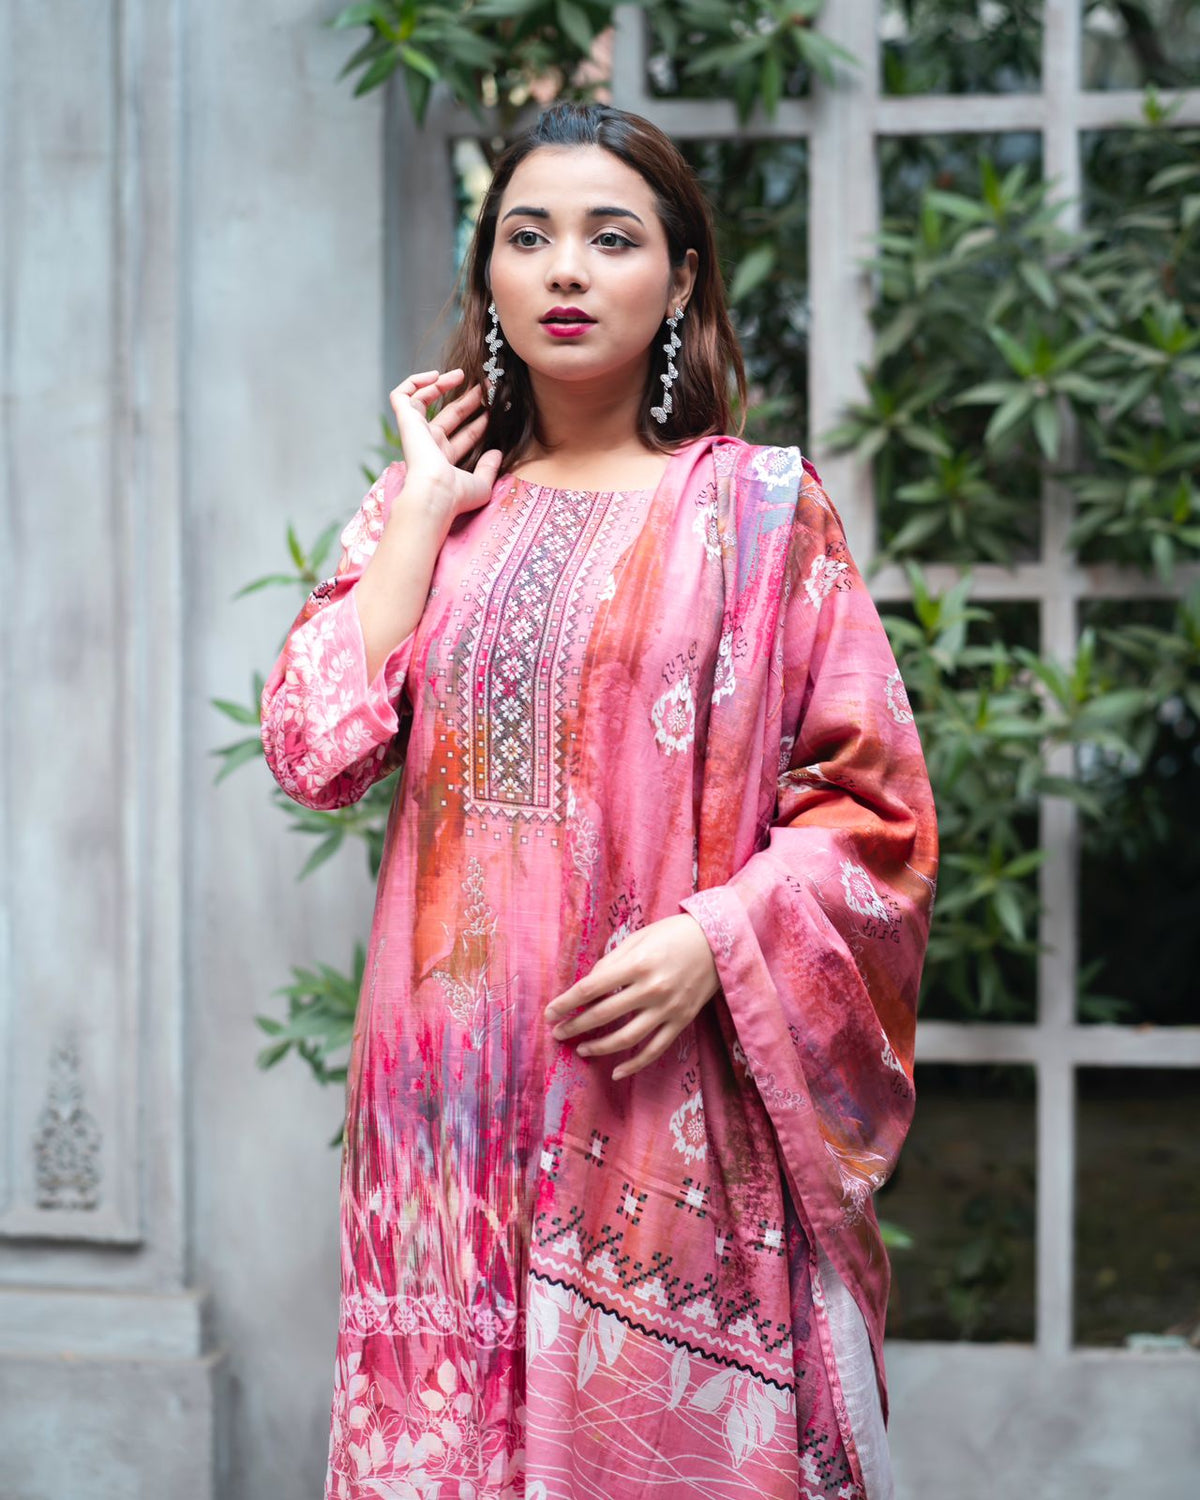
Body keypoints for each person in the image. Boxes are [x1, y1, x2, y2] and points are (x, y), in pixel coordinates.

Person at [261, 101, 937, 1500]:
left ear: (680, 279)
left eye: (611, 237)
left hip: (653, 1094)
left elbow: (872, 812)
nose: (565, 268)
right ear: (490, 277)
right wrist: (422, 511)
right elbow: (315, 749)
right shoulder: (423, 509)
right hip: (439, 1109)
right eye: (529, 236)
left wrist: (716, 938)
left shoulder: (757, 513)